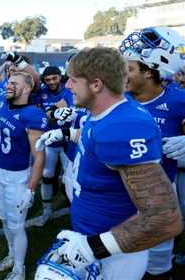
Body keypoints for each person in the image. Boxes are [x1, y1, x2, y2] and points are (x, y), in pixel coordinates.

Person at [35, 47, 182, 279]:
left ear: (96, 85)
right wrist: (67, 135)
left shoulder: (123, 126)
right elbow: (97, 142)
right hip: (95, 233)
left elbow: (164, 218)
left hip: (114, 249)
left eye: (73, 80)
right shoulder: (103, 112)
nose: (68, 86)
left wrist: (90, 248)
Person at [120, 26, 185, 279]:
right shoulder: (118, 99)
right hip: (119, 189)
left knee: (157, 264)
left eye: (130, 67)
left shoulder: (179, 100)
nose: (122, 73)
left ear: (149, 72)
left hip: (159, 190)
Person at [0, 70, 46, 280]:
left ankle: (19, 268)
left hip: (18, 177)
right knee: (5, 220)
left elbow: (39, 157)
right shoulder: (3, 105)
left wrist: (31, 189)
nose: (8, 85)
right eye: (8, 82)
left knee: (17, 226)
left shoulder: (33, 114)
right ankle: (11, 255)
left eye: (13, 83)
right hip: (0, 173)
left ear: (27, 88)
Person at [36, 65, 74, 226]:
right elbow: (40, 113)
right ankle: (47, 211)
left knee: (70, 179)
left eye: (54, 78)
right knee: (47, 176)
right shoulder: (42, 92)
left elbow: (66, 106)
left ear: (60, 77)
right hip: (50, 141)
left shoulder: (69, 90)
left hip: (68, 141)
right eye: (48, 79)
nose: (51, 82)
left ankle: (74, 210)